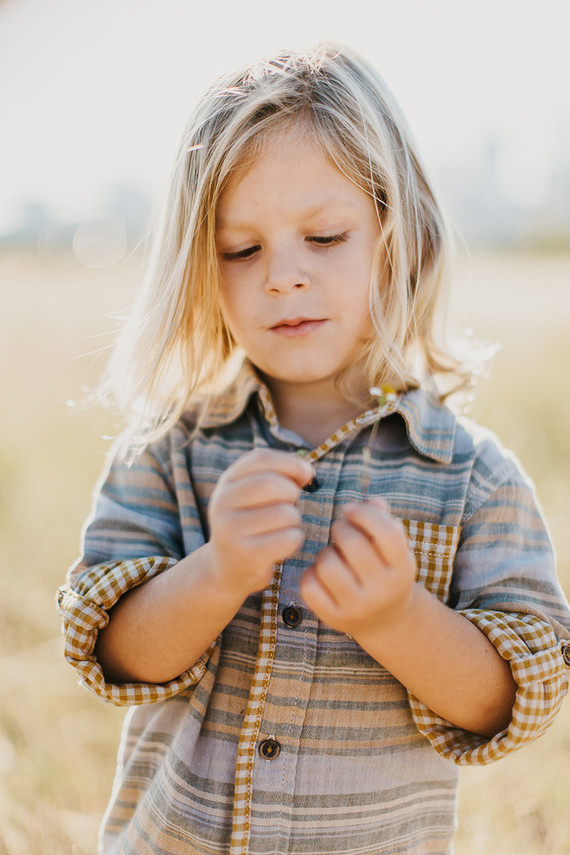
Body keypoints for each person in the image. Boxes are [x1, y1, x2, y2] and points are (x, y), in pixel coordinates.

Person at [57, 43, 570, 855]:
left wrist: (399, 618)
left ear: (396, 240)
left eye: (325, 236)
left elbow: (519, 695)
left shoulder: (471, 476)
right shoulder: (167, 450)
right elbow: (107, 650)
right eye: (242, 249)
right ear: (202, 267)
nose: (284, 276)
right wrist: (216, 571)